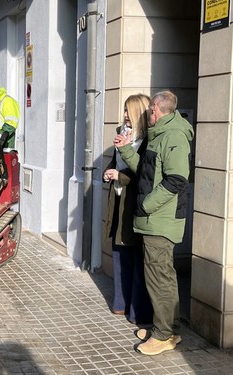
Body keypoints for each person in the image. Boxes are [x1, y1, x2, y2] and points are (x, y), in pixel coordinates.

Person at [114, 90, 194, 356]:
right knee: (161, 277)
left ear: (157, 110)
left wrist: (146, 205)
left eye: (150, 110)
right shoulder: (159, 134)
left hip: (160, 220)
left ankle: (163, 335)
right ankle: (168, 327)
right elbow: (146, 172)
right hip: (153, 220)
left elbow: (176, 180)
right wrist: (125, 148)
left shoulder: (173, 136)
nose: (147, 114)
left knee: (159, 278)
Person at [103, 94, 152, 325]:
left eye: (128, 111)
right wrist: (109, 171)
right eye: (123, 110)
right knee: (119, 252)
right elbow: (116, 161)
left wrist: (119, 176)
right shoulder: (122, 133)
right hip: (118, 200)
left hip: (134, 203)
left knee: (134, 255)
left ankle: (137, 311)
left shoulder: (148, 139)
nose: (124, 115)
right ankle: (120, 304)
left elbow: (144, 174)